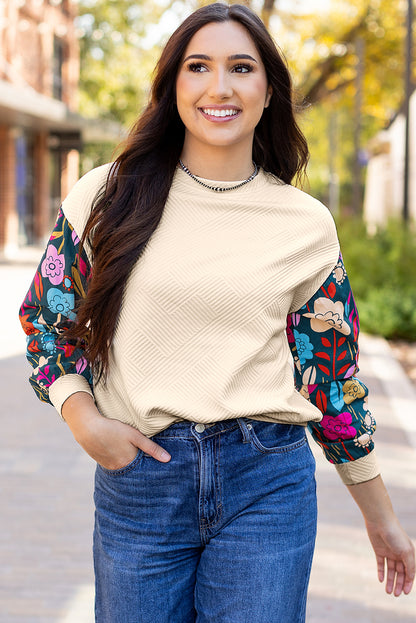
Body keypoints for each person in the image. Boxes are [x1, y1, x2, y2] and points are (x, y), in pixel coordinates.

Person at [19, 3, 414, 622]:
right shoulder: (107, 196)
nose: (219, 87)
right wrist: (82, 418)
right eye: (199, 66)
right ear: (174, 85)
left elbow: (330, 377)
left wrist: (381, 517)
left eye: (241, 67)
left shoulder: (305, 224)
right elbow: (46, 320)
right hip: (142, 481)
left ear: (267, 92)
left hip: (267, 481)